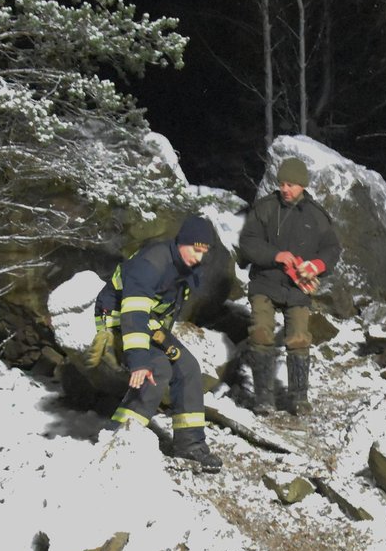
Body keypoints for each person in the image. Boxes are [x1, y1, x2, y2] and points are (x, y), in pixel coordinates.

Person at [92, 215, 223, 473]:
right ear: (182, 242)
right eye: (195, 250)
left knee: (187, 366)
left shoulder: (185, 266)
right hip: (117, 317)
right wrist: (139, 360)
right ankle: (119, 437)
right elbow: (133, 313)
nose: (199, 257)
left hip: (150, 323)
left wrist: (161, 338)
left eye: (203, 252)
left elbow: (159, 311)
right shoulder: (151, 263)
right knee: (157, 369)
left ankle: (190, 445)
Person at [238, 156, 341, 416]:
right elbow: (248, 242)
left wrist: (317, 265)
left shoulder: (316, 215)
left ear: (303, 186)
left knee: (298, 338)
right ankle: (263, 398)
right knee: (261, 332)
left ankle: (299, 398)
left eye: (291, 185)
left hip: (298, 289)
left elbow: (332, 248)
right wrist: (276, 255)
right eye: (282, 183)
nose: (285, 189)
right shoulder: (265, 207)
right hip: (265, 282)